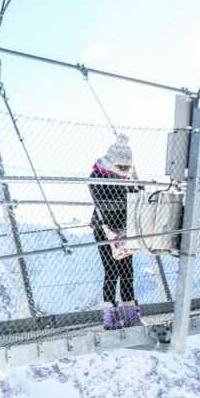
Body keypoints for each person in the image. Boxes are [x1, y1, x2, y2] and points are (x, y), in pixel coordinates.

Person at [89, 133, 143, 330]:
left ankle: (130, 315)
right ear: (113, 162)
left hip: (125, 229)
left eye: (127, 168)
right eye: (122, 167)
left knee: (127, 271)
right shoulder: (98, 176)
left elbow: (138, 197)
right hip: (104, 228)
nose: (125, 171)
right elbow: (104, 204)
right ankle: (110, 316)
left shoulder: (128, 178)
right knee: (111, 271)